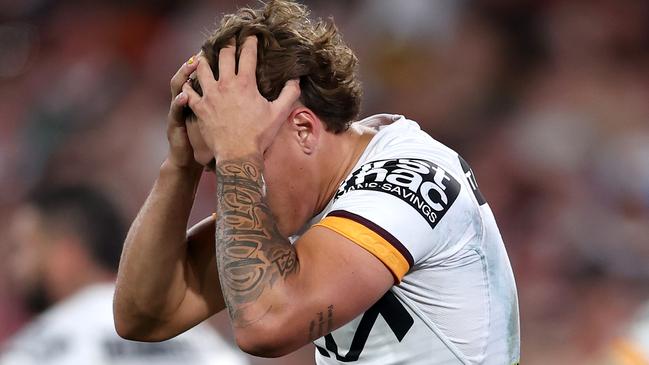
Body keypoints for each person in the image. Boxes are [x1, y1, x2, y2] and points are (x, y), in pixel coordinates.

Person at [113, 1, 520, 364]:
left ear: (304, 129)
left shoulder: (407, 178)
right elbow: (144, 316)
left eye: (239, 154)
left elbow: (266, 326)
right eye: (215, 168)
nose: (233, 179)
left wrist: (238, 156)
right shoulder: (302, 198)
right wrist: (180, 167)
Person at [1, 185, 247, 365]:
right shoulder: (195, 336)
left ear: (67, 254)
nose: (13, 267)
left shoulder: (39, 346)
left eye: (21, 249)